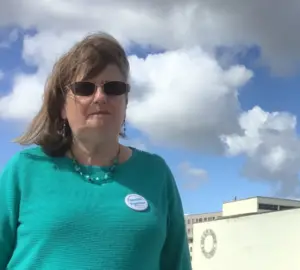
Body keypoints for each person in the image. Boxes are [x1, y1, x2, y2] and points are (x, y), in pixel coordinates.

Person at [0, 32, 192, 270]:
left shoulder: (156, 173)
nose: (100, 97)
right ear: (61, 107)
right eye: (84, 88)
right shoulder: (23, 170)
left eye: (113, 88)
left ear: (125, 102)